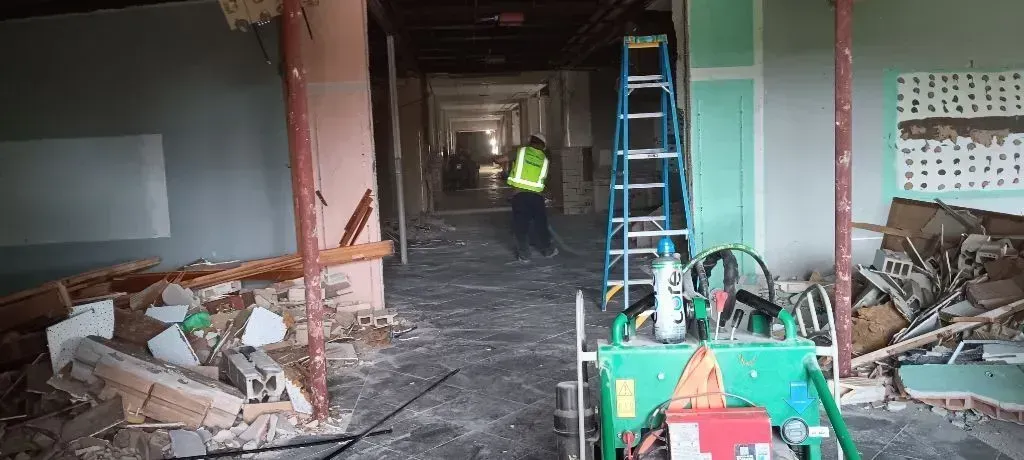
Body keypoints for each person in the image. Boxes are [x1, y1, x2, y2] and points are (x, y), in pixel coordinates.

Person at [499, 133, 558, 262]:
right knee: (541, 224)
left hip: (519, 195)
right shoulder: (545, 159)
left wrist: (496, 160)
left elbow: (502, 159)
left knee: (520, 225)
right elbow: (546, 179)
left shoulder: (521, 151)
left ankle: (524, 255)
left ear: (530, 141)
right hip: (537, 196)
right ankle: (548, 250)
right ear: (543, 145)